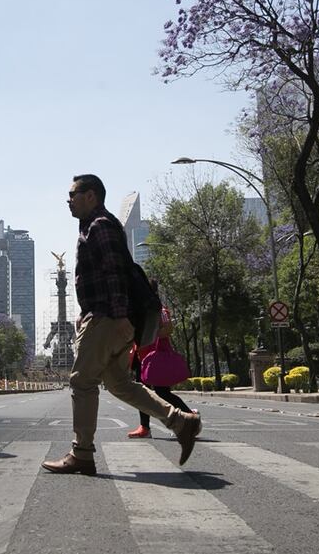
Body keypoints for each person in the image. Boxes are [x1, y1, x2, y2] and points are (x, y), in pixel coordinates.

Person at [41, 175, 201, 476]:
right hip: (109, 316)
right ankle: (181, 421)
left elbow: (115, 273)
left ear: (90, 195)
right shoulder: (97, 225)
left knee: (81, 381)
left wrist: (116, 319)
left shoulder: (100, 225)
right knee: (120, 384)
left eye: (72, 194)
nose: (68, 200)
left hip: (107, 316)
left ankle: (82, 454)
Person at [127, 286, 196, 438]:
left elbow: (168, 328)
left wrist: (149, 333)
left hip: (156, 359)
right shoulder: (140, 311)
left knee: (163, 393)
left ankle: (190, 418)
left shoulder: (160, 310)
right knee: (142, 394)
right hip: (141, 357)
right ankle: (144, 428)